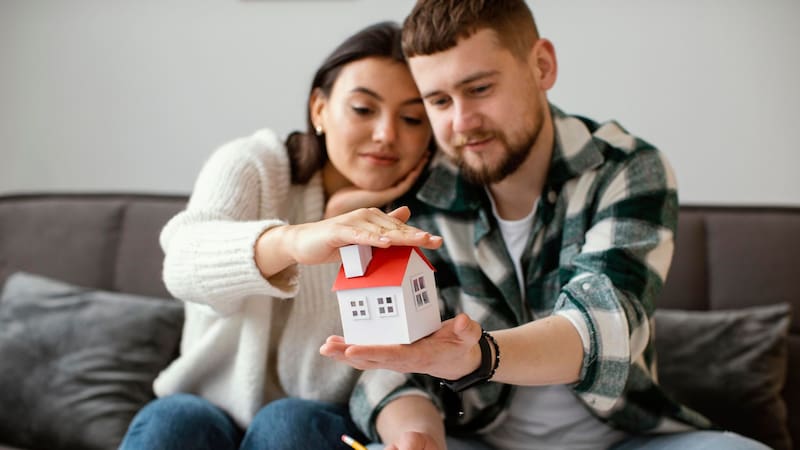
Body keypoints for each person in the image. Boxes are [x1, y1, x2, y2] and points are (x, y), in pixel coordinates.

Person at [320, 2, 770, 450]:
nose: (461, 123)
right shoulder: (419, 192)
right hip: (476, 440)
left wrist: (479, 356)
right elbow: (392, 365)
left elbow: (601, 326)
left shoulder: (626, 169)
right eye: (438, 101)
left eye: (479, 88)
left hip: (623, 438)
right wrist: (417, 435)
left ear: (542, 66)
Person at [119, 21, 442, 450]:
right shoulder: (254, 165)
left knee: (287, 424)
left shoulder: (428, 221)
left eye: (411, 117)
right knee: (174, 422)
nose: (386, 134)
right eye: (364, 109)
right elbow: (181, 263)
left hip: (317, 421)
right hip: (202, 408)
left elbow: (398, 365)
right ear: (319, 109)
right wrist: (295, 241)